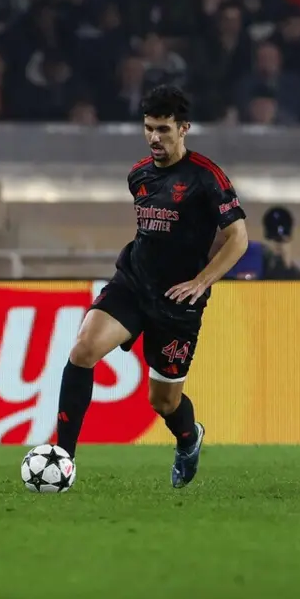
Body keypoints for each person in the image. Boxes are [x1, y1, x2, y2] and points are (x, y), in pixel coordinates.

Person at [53, 85, 248, 488]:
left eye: (163, 129)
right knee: (83, 349)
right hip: (133, 284)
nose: (154, 138)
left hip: (178, 304)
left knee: (163, 401)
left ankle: (189, 439)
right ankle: (63, 460)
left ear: (184, 128)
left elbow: (239, 238)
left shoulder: (207, 178)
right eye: (148, 129)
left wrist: (201, 281)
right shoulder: (139, 175)